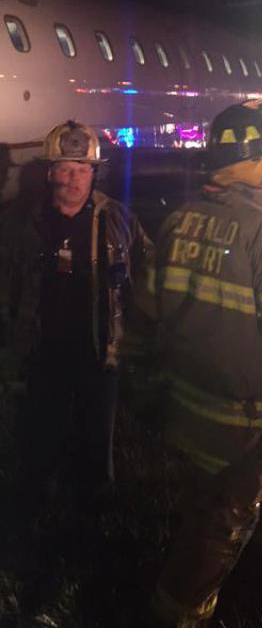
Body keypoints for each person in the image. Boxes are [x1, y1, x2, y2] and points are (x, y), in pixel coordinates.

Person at [145, 103, 262, 627]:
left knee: (245, 474)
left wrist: (139, 378)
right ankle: (177, 610)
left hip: (187, 400)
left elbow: (147, 305)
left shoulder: (179, 219)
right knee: (218, 524)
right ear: (246, 160)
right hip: (240, 407)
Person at [0, 119, 152, 516]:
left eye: (82, 169)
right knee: (37, 436)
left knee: (95, 438)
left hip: (99, 354)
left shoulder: (119, 221)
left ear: (94, 173)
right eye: (65, 169)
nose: (73, 179)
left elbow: (150, 276)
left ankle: (93, 514)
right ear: (50, 172)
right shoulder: (19, 225)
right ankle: (31, 507)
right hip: (40, 353)